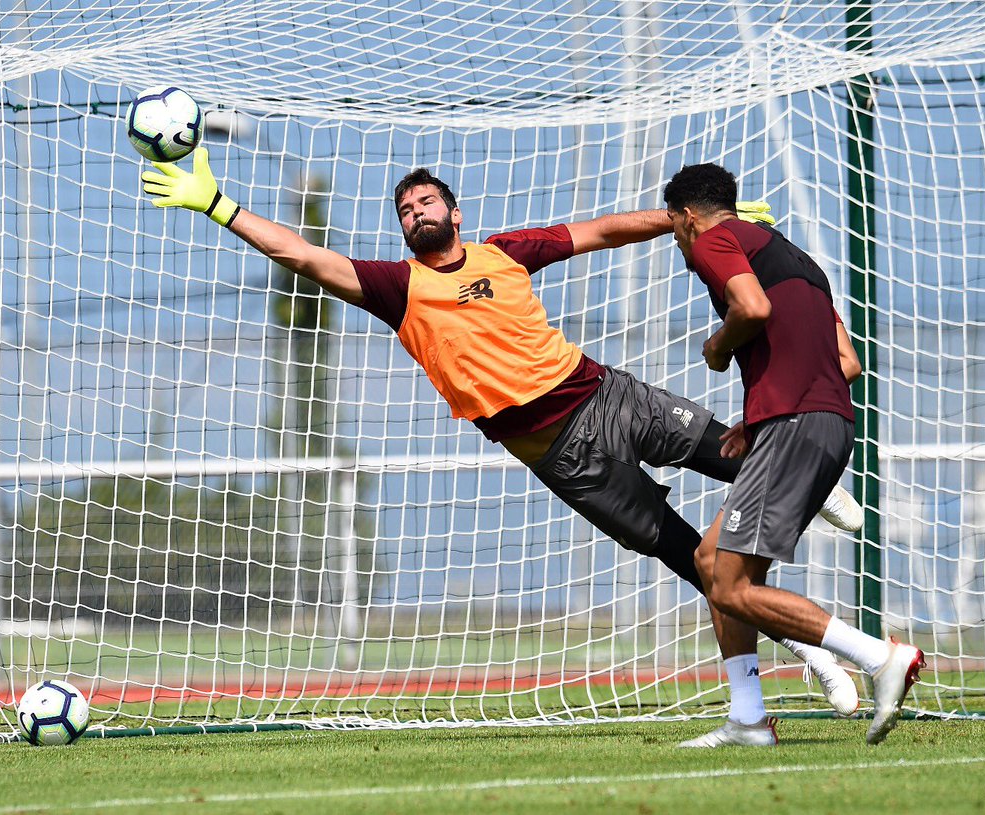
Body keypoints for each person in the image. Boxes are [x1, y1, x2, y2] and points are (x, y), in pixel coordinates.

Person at [140, 150, 863, 718]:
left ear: (454, 210)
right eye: (404, 209)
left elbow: (603, 231)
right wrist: (216, 204)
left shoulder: (505, 251)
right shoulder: (399, 288)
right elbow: (304, 256)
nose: (415, 211)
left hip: (606, 393)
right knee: (695, 561)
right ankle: (809, 653)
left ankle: (812, 485)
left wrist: (696, 218)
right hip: (563, 456)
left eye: (426, 200)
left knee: (725, 444)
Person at [662, 163, 924, 748]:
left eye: (675, 229)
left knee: (729, 587)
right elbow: (847, 364)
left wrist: (716, 347)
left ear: (684, 217)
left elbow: (750, 311)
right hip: (826, 424)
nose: (681, 242)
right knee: (712, 563)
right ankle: (749, 718)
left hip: (795, 423)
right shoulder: (803, 263)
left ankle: (879, 658)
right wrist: (757, 419)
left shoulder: (715, 241)